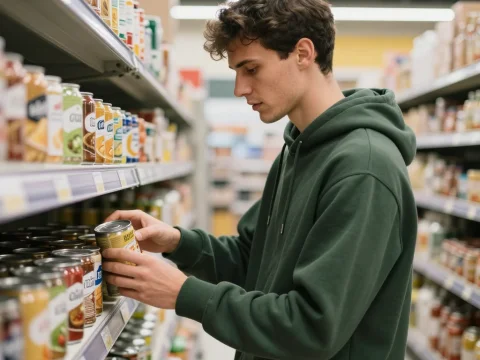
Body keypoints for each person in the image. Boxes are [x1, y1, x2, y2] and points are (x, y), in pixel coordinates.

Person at [102, 0, 417, 359]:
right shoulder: (296, 149)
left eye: (251, 68)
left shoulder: (365, 168)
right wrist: (177, 242)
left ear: (303, 53)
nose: (239, 88)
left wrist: (184, 293)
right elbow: (256, 259)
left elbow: (313, 326)